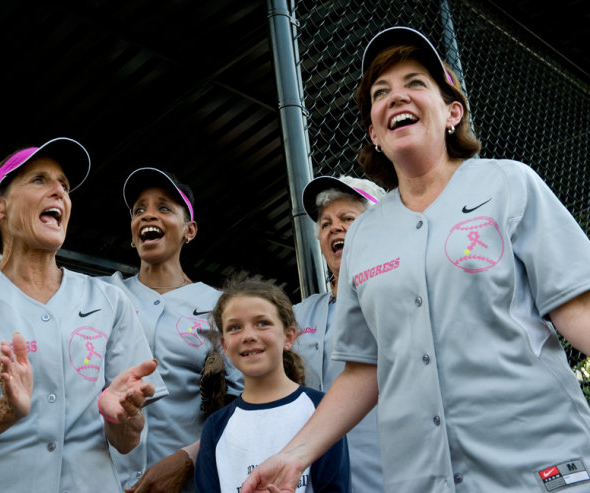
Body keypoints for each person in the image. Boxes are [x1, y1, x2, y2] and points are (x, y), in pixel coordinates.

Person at [242, 26, 590, 493]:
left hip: (538, 467)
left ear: (452, 112)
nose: (394, 97)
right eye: (380, 93)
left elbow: (576, 307)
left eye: (415, 83)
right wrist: (292, 456)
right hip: (420, 480)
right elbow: (365, 368)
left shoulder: (508, 185)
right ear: (374, 133)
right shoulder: (364, 233)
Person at [0, 138, 168, 492]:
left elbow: (127, 442)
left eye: (64, 186)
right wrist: (6, 410)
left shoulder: (109, 300)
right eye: (39, 180)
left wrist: (122, 416)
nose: (59, 193)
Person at [104, 167, 244, 493]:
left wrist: (187, 459)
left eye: (164, 208)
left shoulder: (223, 307)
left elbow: (249, 399)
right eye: (139, 210)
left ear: (189, 230)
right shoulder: (101, 295)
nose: (147, 215)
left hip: (191, 483)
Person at [195, 279, 350, 493]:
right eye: (235, 327)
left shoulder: (322, 410)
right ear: (224, 346)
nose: (248, 336)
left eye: (262, 323)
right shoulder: (216, 427)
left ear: (289, 337)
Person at [294, 175, 385, 492]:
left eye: (348, 219)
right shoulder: (294, 316)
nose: (334, 227)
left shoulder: (405, 299)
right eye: (325, 223)